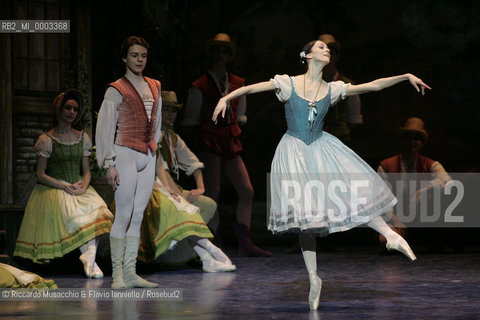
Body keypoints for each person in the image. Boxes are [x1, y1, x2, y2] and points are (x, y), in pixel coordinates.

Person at [213, 39, 431, 310]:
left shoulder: (333, 88)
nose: (326, 50)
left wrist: (405, 76)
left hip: (320, 147)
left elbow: (373, 85)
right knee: (307, 217)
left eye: (328, 48)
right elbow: (252, 88)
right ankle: (314, 277)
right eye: (320, 47)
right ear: (306, 55)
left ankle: (390, 235)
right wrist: (226, 97)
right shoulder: (288, 83)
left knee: (349, 188)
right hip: (294, 151)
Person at [182, 33, 270, 257]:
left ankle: (245, 241)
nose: (221, 54)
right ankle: (214, 240)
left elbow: (241, 115)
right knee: (213, 193)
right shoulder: (200, 85)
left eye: (225, 50)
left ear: (230, 55)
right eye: (217, 50)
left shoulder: (238, 83)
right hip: (210, 139)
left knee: (247, 190)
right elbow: (192, 119)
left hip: (229, 139)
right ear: (211, 53)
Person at [14, 89, 113, 279]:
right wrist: (63, 186)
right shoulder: (47, 140)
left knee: (101, 212)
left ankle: (89, 258)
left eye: (75, 109)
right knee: (75, 218)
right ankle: (90, 261)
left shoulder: (82, 137)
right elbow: (40, 174)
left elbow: (86, 170)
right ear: (59, 110)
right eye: (68, 108)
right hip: (55, 187)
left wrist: (83, 187)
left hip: (78, 185)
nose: (71, 112)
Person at [135, 90, 236, 272]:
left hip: (168, 187)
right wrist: (172, 192)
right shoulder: (149, 134)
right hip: (151, 188)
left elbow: (191, 163)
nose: (170, 115)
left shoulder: (172, 138)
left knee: (206, 205)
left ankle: (197, 254)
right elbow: (158, 170)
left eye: (173, 111)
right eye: (166, 110)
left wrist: (200, 187)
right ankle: (207, 252)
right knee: (181, 210)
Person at [96, 36, 161, 289]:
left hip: (148, 154)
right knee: (123, 213)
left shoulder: (155, 85)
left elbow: (156, 122)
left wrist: (153, 147)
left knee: (137, 215)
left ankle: (131, 272)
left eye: (143, 56)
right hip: (124, 151)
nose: (139, 60)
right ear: (125, 58)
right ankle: (118, 275)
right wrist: (109, 162)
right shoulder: (116, 88)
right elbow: (105, 127)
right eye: (134, 55)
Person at [377, 117, 453, 250]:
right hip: (397, 219)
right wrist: (396, 221)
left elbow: (448, 181)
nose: (412, 142)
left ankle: (431, 239)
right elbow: (381, 200)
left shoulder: (430, 165)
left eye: (416, 138)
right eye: (408, 137)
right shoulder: (387, 166)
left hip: (422, 220)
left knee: (434, 193)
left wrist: (425, 190)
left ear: (422, 142)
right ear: (403, 140)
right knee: (385, 241)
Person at [318, 34, 363, 146]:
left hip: (339, 142)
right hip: (314, 141)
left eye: (331, 53)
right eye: (322, 53)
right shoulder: (307, 83)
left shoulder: (348, 85)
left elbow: (353, 119)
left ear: (336, 56)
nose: (327, 57)